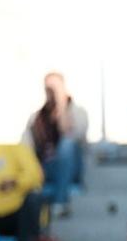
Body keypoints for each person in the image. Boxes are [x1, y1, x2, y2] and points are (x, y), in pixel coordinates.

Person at [25, 72, 86, 217]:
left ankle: (60, 201)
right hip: (45, 165)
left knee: (67, 144)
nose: (50, 92)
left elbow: (73, 134)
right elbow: (26, 145)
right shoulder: (37, 117)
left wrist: (61, 103)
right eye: (48, 88)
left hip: (71, 166)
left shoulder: (78, 112)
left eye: (55, 88)